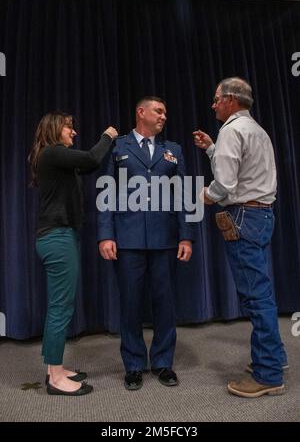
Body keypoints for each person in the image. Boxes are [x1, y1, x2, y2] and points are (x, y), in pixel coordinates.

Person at [193, 77, 288, 398]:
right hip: (262, 215)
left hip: (244, 216)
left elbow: (225, 186)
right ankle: (275, 359)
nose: (213, 104)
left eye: (217, 99)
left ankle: (268, 374)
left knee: (255, 297)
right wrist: (210, 149)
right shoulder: (255, 130)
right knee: (261, 291)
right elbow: (238, 167)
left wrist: (202, 195)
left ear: (231, 99)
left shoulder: (231, 131)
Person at [98, 96, 195, 390]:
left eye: (165, 112)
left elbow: (183, 195)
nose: (164, 116)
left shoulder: (173, 150)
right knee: (130, 303)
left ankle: (163, 362)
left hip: (165, 239)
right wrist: (106, 234)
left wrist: (186, 236)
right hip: (128, 240)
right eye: (159, 111)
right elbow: (107, 193)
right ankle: (134, 364)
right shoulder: (118, 147)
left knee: (165, 302)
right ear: (141, 112)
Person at [28, 111, 118, 396]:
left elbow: (88, 166)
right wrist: (109, 135)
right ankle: (55, 378)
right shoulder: (53, 153)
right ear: (55, 129)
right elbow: (91, 158)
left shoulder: (57, 159)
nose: (74, 133)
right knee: (60, 308)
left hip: (58, 237)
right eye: (69, 128)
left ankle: (53, 367)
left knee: (59, 305)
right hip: (57, 238)